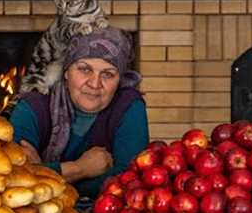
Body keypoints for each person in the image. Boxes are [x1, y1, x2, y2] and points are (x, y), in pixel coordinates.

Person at [10, 26, 149, 199]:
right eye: (84, 69)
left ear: (119, 80)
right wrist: (80, 169)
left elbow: (131, 181)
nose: (95, 83)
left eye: (108, 74)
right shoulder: (33, 105)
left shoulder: (129, 106)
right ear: (66, 72)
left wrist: (42, 172)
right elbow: (12, 176)